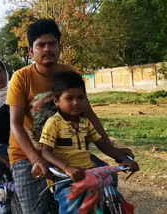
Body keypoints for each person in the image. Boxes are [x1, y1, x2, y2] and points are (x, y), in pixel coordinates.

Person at [6, 19, 133, 214]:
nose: (47, 49)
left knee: (107, 186)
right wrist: (35, 159)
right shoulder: (21, 78)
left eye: (52, 43)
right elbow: (15, 124)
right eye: (40, 45)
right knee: (35, 211)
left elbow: (88, 114)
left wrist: (114, 152)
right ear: (31, 52)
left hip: (68, 150)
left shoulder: (69, 73)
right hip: (26, 153)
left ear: (59, 46)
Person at [39, 71, 139, 213]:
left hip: (90, 172)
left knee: (116, 201)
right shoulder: (53, 124)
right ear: (57, 101)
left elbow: (101, 143)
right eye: (69, 98)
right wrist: (67, 168)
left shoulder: (85, 121)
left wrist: (122, 157)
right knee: (72, 207)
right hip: (67, 178)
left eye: (80, 98)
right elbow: (45, 152)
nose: (76, 103)